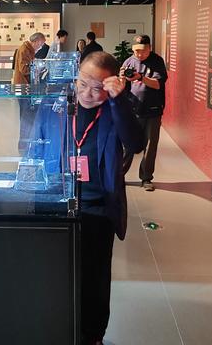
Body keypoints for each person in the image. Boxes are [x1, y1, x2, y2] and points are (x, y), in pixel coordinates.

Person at [74, 52, 143, 345]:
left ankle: (93, 335)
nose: (87, 94)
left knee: (96, 276)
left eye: (97, 88)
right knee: (60, 271)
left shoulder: (118, 106)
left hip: (99, 207)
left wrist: (118, 100)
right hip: (62, 205)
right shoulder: (60, 102)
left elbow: (135, 143)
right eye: (82, 83)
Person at [120, 35, 168, 191]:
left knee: (150, 145)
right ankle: (118, 175)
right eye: (136, 51)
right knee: (127, 144)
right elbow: (122, 87)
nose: (139, 54)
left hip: (153, 110)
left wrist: (140, 77)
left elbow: (157, 84)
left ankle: (146, 178)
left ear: (150, 48)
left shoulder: (157, 61)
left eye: (143, 51)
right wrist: (122, 78)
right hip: (133, 109)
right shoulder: (128, 62)